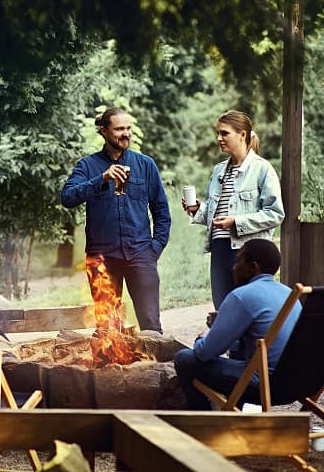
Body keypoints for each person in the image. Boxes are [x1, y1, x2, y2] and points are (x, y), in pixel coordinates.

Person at [60, 107, 171, 333]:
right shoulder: (87, 166)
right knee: (108, 330)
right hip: (102, 258)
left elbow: (161, 211)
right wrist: (101, 179)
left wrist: (154, 249)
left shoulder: (146, 165)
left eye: (128, 128)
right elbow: (67, 197)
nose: (126, 133)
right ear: (104, 131)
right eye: (119, 129)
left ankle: (159, 369)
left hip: (141, 254)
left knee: (151, 325)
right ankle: (114, 369)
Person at [173, 239, 300, 410]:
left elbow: (205, 353)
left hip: (267, 384)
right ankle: (232, 416)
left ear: (253, 267)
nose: (234, 267)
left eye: (238, 261)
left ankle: (203, 422)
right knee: (239, 352)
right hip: (298, 383)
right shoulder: (290, 295)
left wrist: (200, 339)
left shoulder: (242, 296)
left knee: (185, 359)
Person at [183, 110, 284, 311]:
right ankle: (228, 344)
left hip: (247, 252)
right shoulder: (219, 170)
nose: (219, 138)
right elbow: (217, 214)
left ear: (242, 135)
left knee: (247, 310)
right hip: (219, 248)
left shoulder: (262, 169)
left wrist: (236, 222)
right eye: (218, 133)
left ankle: (250, 344)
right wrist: (197, 210)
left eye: (224, 133)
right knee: (223, 308)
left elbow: (275, 213)